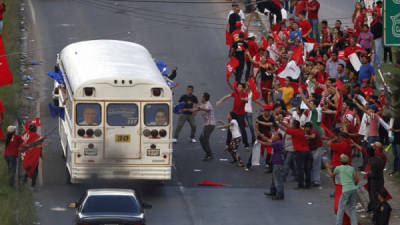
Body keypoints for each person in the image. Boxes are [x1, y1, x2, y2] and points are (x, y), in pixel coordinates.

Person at [325, 154, 359, 225]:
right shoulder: (352, 168)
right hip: (353, 189)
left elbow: (332, 175)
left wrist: (328, 168)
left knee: (340, 209)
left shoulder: (338, 168)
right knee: (352, 209)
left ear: (340, 161)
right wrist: (354, 184)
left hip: (345, 189)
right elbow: (356, 179)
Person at [278, 120, 311, 189]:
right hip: (307, 151)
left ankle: (300, 184)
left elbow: (284, 129)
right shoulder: (301, 130)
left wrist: (277, 124)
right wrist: (280, 121)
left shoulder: (294, 131)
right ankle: (308, 184)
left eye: (292, 125)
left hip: (299, 152)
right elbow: (288, 127)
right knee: (307, 169)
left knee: (300, 169)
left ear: (294, 126)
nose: (291, 126)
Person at [217, 82, 250, 150]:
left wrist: (243, 99)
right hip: (233, 113)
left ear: (243, 88)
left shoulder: (244, 94)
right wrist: (220, 101)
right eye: (238, 87)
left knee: (242, 129)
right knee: (230, 128)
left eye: (240, 87)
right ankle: (227, 144)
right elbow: (227, 96)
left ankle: (246, 145)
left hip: (241, 114)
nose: (238, 88)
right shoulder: (235, 93)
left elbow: (247, 100)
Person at [263, 133, 285, 200]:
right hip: (277, 162)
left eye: (275, 136)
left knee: (277, 179)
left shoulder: (278, 143)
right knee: (274, 178)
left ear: (279, 137)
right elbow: (269, 141)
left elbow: (268, 144)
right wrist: (261, 135)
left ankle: (280, 194)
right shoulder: (278, 142)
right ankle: (273, 191)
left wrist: (259, 141)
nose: (274, 137)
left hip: (278, 163)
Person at [21, 124, 43, 188]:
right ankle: (33, 184)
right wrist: (41, 155)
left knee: (28, 168)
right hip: (34, 157)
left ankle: (24, 180)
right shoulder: (38, 137)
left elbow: (22, 144)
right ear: (35, 130)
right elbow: (40, 147)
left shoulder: (25, 136)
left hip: (27, 156)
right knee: (35, 169)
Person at [195, 92, 215, 161]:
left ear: (204, 98)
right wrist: (185, 110)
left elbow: (207, 109)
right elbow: (196, 109)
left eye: (202, 97)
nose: (201, 98)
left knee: (204, 139)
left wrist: (200, 108)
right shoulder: (203, 104)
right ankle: (208, 154)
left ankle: (209, 154)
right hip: (206, 125)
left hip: (210, 125)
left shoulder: (208, 104)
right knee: (202, 139)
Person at [304, 122, 323, 187]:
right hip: (312, 149)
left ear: (308, 127)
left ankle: (317, 181)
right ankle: (313, 180)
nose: (305, 129)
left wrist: (307, 136)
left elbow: (313, 136)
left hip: (317, 149)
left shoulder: (313, 130)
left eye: (305, 128)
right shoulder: (308, 131)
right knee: (312, 165)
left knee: (316, 165)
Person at [366, 147, 385, 212]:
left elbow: (374, 175)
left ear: (368, 154)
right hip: (381, 180)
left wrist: (368, 173)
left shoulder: (373, 162)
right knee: (379, 196)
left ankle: (376, 212)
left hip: (375, 182)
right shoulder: (379, 159)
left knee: (375, 197)